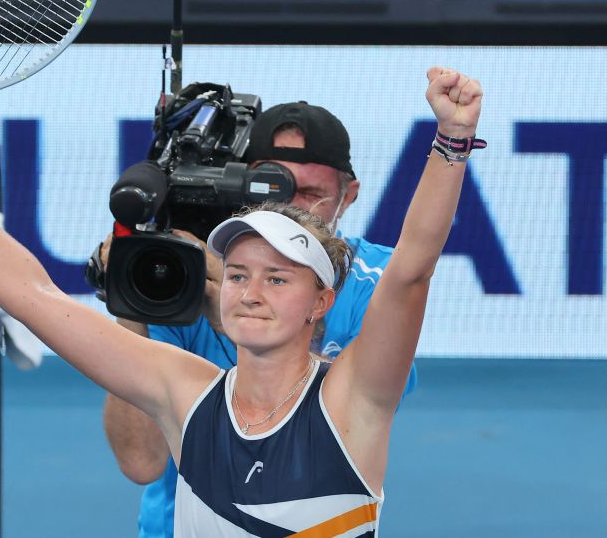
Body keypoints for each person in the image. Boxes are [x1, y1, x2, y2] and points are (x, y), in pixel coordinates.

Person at [0, 67, 483, 536]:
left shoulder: (355, 399)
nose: (249, 292)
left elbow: (410, 270)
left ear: (320, 301)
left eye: (278, 279)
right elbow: (29, 295)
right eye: (240, 273)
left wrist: (452, 139)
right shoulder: (183, 391)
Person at [101, 99, 416, 538]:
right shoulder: (185, 273)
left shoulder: (376, 285)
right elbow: (140, 461)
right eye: (273, 187)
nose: (291, 209)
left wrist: (226, 313)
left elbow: (340, 422)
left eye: (310, 194)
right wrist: (132, 300)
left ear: (350, 195)